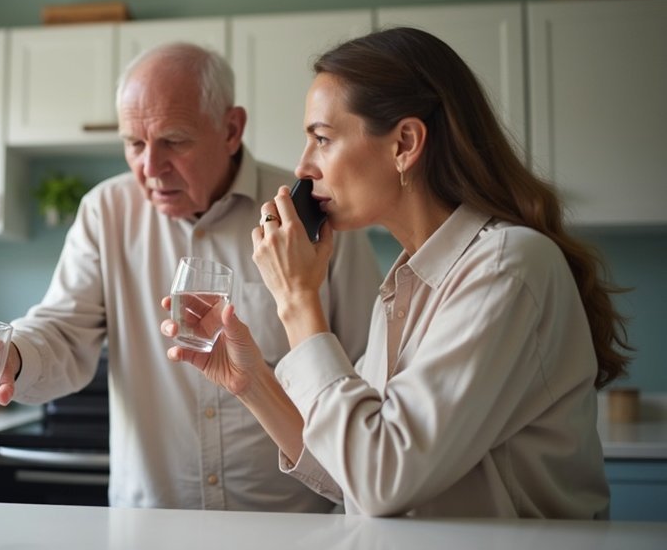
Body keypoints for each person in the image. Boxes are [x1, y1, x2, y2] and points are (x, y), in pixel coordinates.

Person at [161, 27, 632, 518]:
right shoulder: (408, 282)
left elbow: (382, 480)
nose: (303, 167)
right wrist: (251, 381)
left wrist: (298, 300)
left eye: (322, 139)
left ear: (405, 143)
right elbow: (351, 475)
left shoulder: (506, 268)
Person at [0, 43, 382, 511]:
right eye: (134, 144)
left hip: (292, 525)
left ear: (231, 129)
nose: (150, 168)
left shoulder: (313, 213)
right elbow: (62, 331)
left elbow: (366, 365)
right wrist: (8, 356)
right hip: (152, 523)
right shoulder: (105, 211)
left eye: (174, 140)